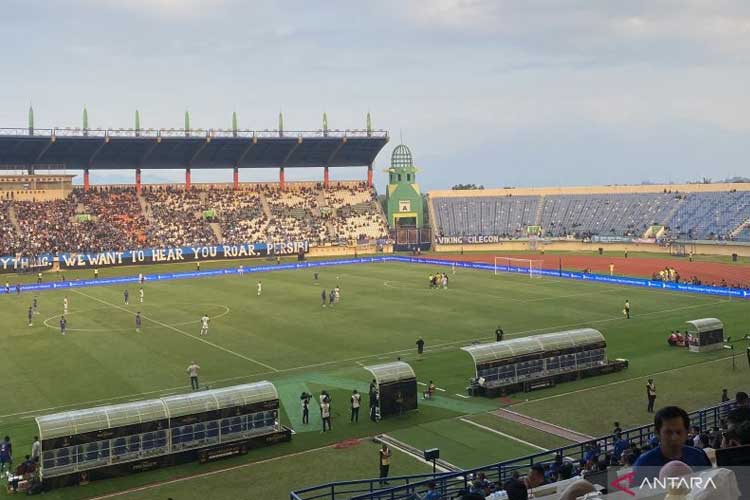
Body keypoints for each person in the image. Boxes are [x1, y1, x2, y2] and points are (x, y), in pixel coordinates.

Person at [633, 406, 711, 480]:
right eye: (668, 432)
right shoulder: (644, 464)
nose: (674, 437)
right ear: (657, 433)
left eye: (679, 432)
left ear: (687, 432)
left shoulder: (698, 456)